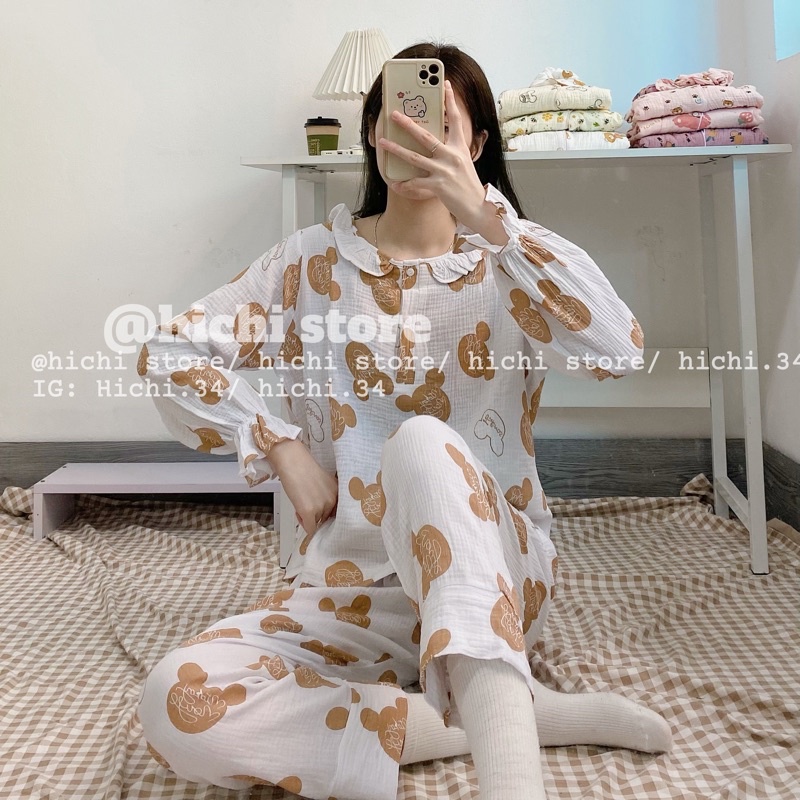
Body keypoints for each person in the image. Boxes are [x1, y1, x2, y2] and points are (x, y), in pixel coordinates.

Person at [136, 41, 671, 800]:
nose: (420, 139)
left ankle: (511, 773)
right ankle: (515, 712)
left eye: (442, 125)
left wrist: (489, 221)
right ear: (374, 135)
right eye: (403, 118)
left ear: (477, 145)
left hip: (497, 577)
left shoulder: (509, 262)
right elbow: (166, 352)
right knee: (177, 703)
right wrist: (278, 443)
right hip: (350, 593)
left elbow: (619, 349)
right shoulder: (311, 264)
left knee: (420, 443)